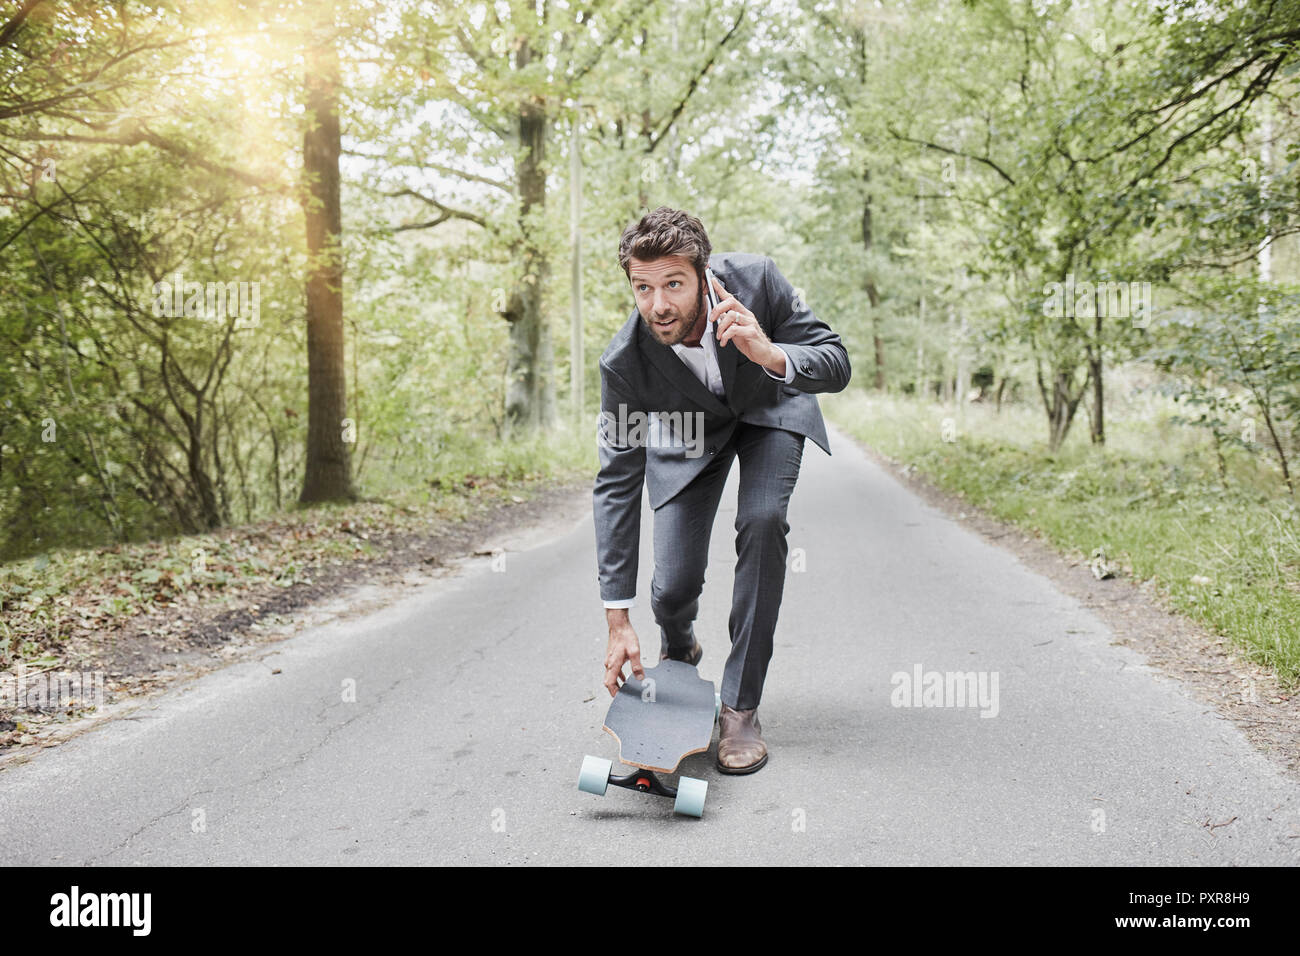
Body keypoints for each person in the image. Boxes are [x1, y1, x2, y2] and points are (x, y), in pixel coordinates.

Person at [592, 205, 851, 774]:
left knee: (762, 521)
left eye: (674, 284)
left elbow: (836, 362)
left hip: (768, 414)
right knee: (673, 584)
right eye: (643, 287)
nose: (659, 304)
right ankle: (680, 645)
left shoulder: (758, 279)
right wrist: (618, 619)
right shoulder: (624, 365)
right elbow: (615, 483)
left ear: (705, 276)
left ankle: (740, 706)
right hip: (688, 438)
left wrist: (770, 352)